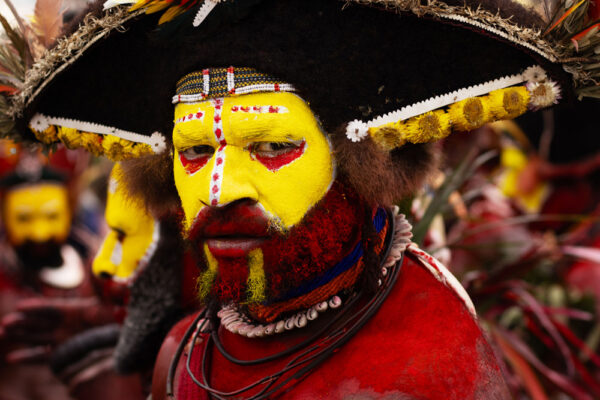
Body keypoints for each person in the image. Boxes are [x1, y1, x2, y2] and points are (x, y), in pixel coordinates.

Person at [3, 0, 599, 398]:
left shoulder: (423, 367)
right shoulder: (187, 350)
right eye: (193, 154)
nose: (220, 189)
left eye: (271, 146)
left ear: (353, 161)